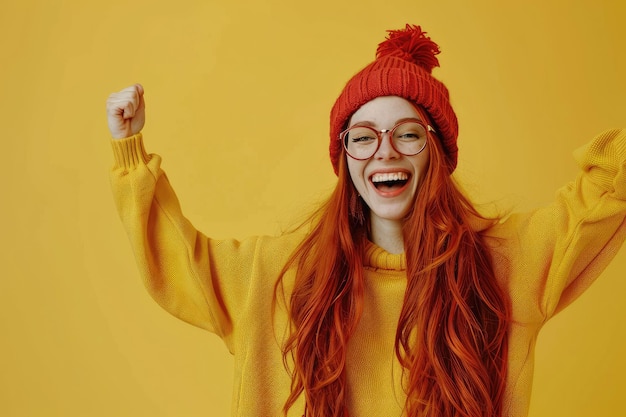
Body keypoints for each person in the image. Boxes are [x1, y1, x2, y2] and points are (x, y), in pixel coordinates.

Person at [106, 25, 626, 417]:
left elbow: (596, 205)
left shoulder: (507, 263)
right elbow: (176, 260)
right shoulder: (276, 274)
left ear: (436, 153)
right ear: (345, 157)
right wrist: (131, 153)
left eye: (408, 133)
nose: (386, 153)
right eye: (363, 136)